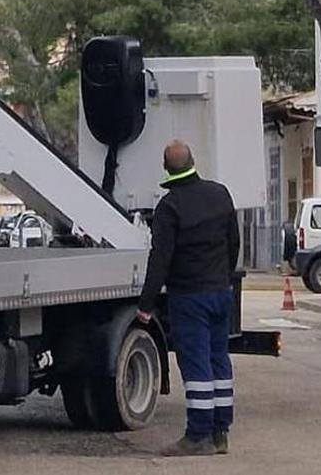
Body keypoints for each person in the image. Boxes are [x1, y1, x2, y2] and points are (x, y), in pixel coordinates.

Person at [137, 140, 240, 457]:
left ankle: (197, 437)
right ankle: (220, 433)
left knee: (196, 366)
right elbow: (233, 242)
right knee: (218, 360)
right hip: (220, 292)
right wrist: (224, 278)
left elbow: (161, 258)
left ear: (167, 168)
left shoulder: (170, 206)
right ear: (193, 161)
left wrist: (146, 304)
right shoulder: (220, 193)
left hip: (189, 297)